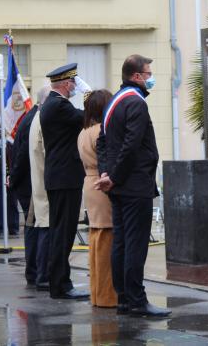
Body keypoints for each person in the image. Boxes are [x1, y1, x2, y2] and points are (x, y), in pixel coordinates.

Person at [95, 54, 170, 317]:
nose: (151, 78)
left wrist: (106, 172)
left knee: (122, 244)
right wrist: (113, 175)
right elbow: (131, 145)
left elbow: (102, 142)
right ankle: (137, 301)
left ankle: (124, 299)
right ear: (136, 76)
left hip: (118, 186)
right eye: (148, 74)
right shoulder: (136, 104)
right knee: (135, 245)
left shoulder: (113, 103)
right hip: (134, 184)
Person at [39, 63, 89, 300]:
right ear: (67, 83)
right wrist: (89, 95)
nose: (75, 88)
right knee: (64, 233)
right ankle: (60, 284)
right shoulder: (59, 106)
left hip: (60, 176)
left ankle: (59, 281)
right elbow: (90, 116)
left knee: (61, 231)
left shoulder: (52, 103)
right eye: (74, 84)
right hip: (65, 177)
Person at [77, 89, 117, 308]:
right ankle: (107, 296)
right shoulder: (101, 130)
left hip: (89, 183)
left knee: (96, 238)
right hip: (101, 186)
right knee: (106, 240)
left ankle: (97, 293)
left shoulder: (84, 131)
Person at [10, 90, 41, 285]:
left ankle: (34, 270)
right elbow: (22, 155)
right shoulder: (32, 121)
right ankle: (33, 272)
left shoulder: (30, 118)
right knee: (33, 228)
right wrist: (14, 179)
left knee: (33, 228)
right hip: (29, 185)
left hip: (26, 182)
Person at [29, 87, 51, 291]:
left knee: (44, 227)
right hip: (46, 184)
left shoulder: (37, 118)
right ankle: (44, 276)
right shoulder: (43, 120)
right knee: (46, 228)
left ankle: (42, 274)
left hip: (41, 182)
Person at [0, 130, 19, 236]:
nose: (0, 140)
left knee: (12, 204)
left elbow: (16, 163)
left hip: (11, 180)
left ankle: (13, 227)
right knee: (0, 206)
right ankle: (1, 228)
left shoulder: (12, 148)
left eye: (2, 137)